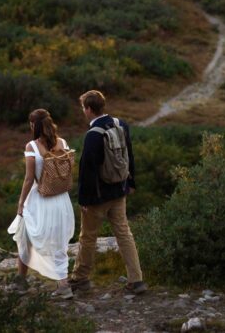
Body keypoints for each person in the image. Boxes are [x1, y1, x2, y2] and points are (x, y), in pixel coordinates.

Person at [69, 90, 147, 295]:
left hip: (98, 196)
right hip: (119, 190)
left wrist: (84, 198)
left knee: (87, 237)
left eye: (83, 108)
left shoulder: (93, 135)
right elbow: (129, 154)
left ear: (88, 109)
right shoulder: (121, 125)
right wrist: (131, 181)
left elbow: (87, 169)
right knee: (124, 233)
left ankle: (80, 279)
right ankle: (136, 279)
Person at [12, 109, 75, 299]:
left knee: (25, 238)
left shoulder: (31, 146)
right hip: (61, 200)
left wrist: (21, 203)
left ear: (34, 125)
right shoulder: (62, 143)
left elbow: (29, 178)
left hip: (40, 199)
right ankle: (63, 285)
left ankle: (21, 283)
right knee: (59, 242)